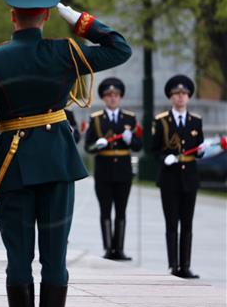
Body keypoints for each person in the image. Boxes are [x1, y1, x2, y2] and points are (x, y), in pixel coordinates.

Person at [0, 0, 132, 307]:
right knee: (55, 259)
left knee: (19, 259)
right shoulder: (66, 52)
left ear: (13, 16)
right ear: (45, 15)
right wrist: (75, 17)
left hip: (13, 167)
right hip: (59, 166)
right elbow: (119, 48)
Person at [152, 75, 204, 279]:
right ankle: (173, 265)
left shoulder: (196, 121)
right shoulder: (162, 120)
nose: (180, 97)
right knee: (172, 222)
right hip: (170, 178)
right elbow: (154, 149)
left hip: (190, 178)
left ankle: (186, 265)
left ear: (189, 97)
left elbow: (198, 148)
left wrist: (202, 151)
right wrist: (165, 158)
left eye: (184, 94)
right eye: (177, 94)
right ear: (171, 97)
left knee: (187, 223)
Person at [84, 78, 142, 260]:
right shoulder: (96, 119)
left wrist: (129, 140)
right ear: (103, 98)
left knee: (122, 210)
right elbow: (88, 147)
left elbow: (138, 146)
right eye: (109, 96)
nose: (113, 98)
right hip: (104, 170)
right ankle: (109, 248)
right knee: (106, 210)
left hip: (123, 171)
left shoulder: (129, 119)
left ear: (120, 97)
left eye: (116, 95)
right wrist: (97, 145)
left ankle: (120, 249)